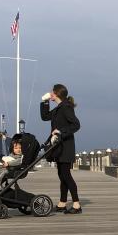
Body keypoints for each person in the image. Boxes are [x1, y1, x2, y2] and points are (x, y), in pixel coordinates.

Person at [40, 83, 82, 213]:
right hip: (59, 147)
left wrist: (60, 131)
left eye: (52, 92)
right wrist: (45, 102)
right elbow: (45, 117)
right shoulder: (59, 108)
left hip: (66, 146)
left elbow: (76, 125)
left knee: (66, 175)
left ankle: (76, 205)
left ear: (57, 93)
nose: (50, 93)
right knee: (62, 175)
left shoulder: (66, 107)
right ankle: (62, 203)